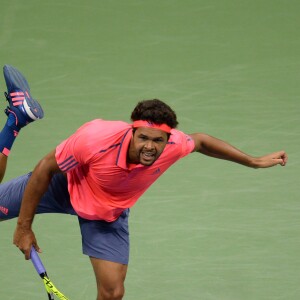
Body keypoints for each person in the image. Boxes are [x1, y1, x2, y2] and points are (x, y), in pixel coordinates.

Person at [1, 66, 288, 300]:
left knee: (113, 292)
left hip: (106, 212)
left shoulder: (175, 144)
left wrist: (254, 161)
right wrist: (24, 227)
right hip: (63, 186)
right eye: (144, 138)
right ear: (132, 131)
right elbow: (44, 169)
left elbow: (201, 141)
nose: (150, 147)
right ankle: (16, 120)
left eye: (158, 141)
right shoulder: (95, 139)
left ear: (168, 140)